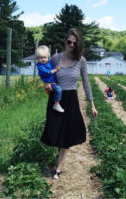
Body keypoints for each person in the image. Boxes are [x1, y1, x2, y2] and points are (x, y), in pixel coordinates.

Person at [40, 28, 98, 181]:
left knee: (65, 133)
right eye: (69, 42)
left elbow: (86, 83)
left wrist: (92, 104)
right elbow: (46, 74)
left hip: (71, 99)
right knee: (54, 129)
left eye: (74, 43)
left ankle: (58, 168)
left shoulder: (81, 61)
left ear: (78, 44)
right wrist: (46, 85)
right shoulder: (55, 58)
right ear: (65, 42)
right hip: (56, 98)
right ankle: (59, 153)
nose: (71, 45)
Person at [36, 45, 64, 113]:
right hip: (49, 83)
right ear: (37, 58)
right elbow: (48, 72)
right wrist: (56, 69)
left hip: (53, 81)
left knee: (58, 91)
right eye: (41, 58)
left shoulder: (49, 62)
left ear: (48, 57)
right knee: (59, 90)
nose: (43, 59)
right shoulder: (40, 66)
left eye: (45, 57)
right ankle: (56, 104)